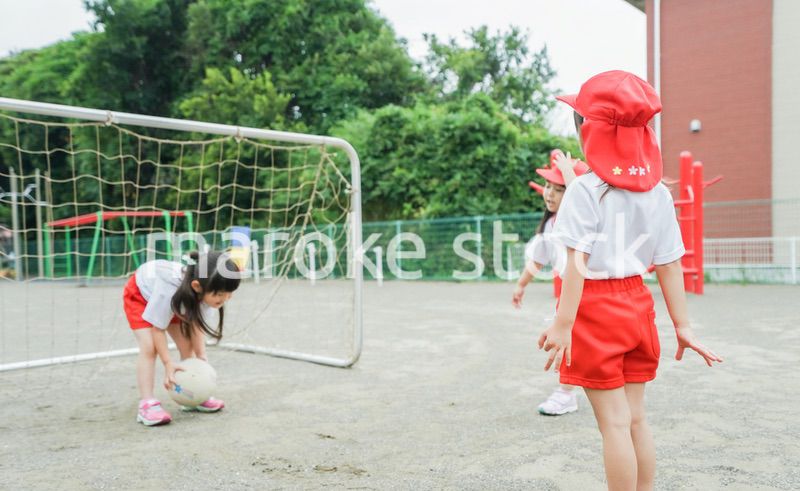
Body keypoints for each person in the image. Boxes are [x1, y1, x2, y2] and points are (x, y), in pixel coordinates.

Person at [537, 70, 723, 490]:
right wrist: (683, 327)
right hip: (638, 305)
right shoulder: (657, 192)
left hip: (594, 308)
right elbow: (670, 263)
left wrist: (564, 323)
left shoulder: (586, 191)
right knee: (636, 418)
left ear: (591, 132)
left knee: (615, 426)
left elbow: (577, 263)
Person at [122, 250, 241, 426]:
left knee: (188, 348)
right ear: (197, 286)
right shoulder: (168, 289)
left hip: (180, 299)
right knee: (149, 347)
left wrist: (201, 358)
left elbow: (196, 325)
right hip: (141, 294)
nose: (225, 299)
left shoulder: (208, 292)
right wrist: (168, 363)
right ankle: (147, 404)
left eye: (229, 293)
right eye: (220, 294)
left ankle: (194, 395)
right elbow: (158, 328)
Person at [512, 149, 588, 415]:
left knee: (576, 342)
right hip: (568, 296)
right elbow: (539, 258)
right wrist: (521, 285)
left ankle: (568, 392)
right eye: (547, 186)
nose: (549, 193)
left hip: (588, 293)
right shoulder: (551, 223)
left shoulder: (582, 223)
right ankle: (567, 390)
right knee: (569, 341)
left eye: (559, 188)